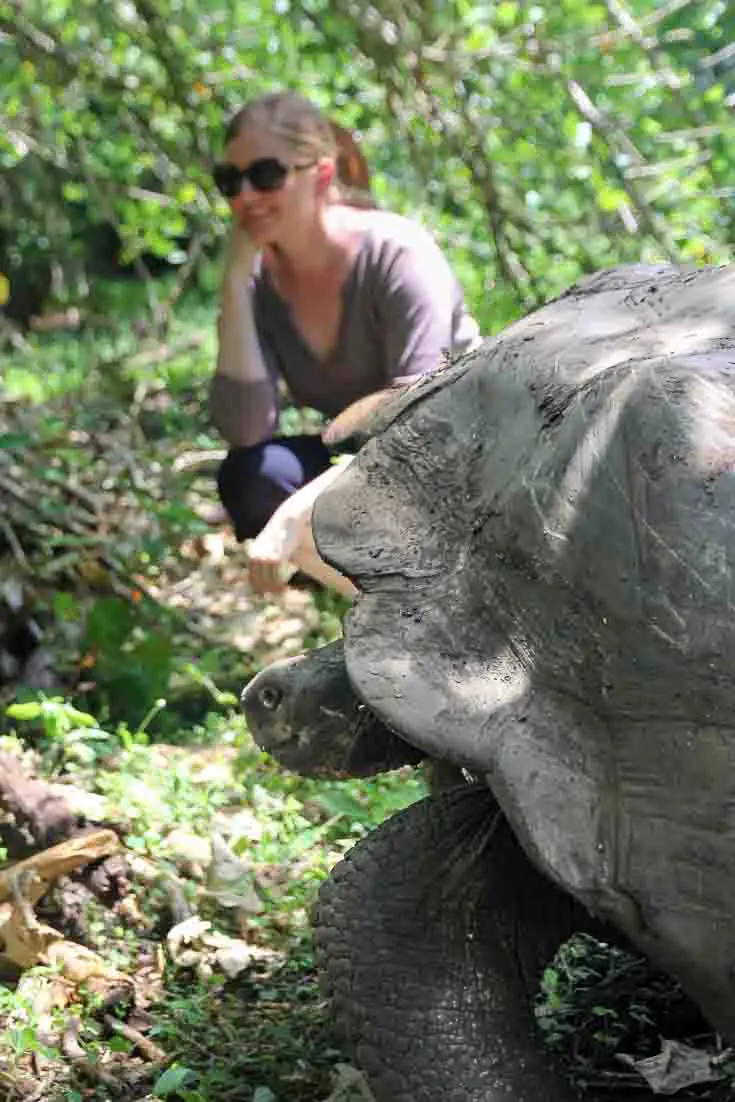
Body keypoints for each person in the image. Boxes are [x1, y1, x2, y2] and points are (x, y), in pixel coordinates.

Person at [210, 90, 481, 597]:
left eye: (266, 175)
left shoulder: (397, 255)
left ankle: (432, 605)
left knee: (302, 500)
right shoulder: (260, 282)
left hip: (457, 457)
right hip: (366, 462)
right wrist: (233, 280)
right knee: (254, 474)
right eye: (229, 181)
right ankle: (380, 609)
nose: (244, 197)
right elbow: (246, 429)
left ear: (323, 175)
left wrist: (295, 515)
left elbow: (419, 425)